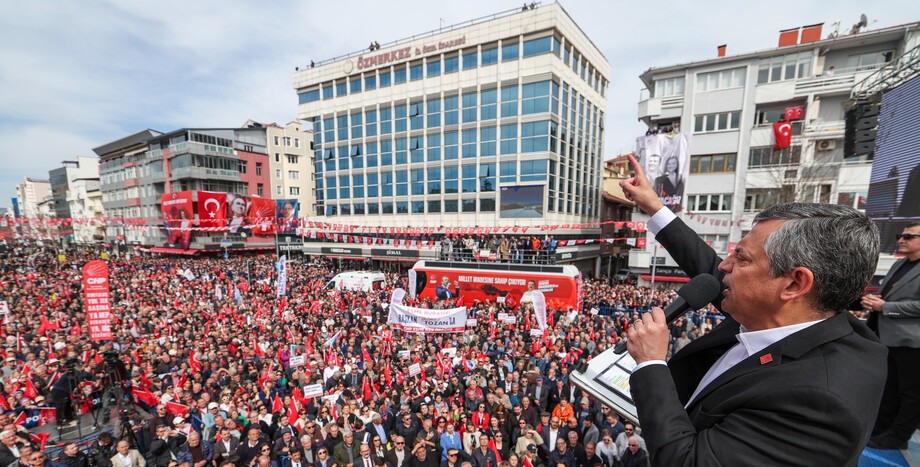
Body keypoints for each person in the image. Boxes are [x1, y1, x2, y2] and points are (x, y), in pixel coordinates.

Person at [619, 153, 887, 465]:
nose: (724, 265)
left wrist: (651, 366)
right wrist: (654, 207)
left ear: (794, 284)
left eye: (742, 259)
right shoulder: (791, 311)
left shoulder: (820, 403)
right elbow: (706, 264)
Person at [863, 221, 920, 450]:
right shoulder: (902, 264)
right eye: (900, 235)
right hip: (887, 337)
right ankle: (881, 428)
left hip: (913, 342)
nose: (901, 240)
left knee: (911, 393)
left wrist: (885, 307)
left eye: (908, 236)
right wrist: (874, 301)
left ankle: (899, 436)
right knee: (890, 388)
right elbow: (889, 294)